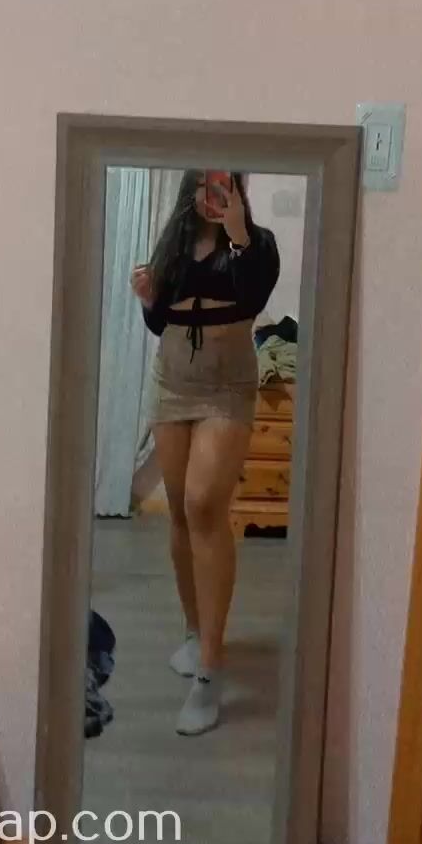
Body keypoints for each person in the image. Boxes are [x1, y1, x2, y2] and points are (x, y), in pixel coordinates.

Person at [130, 169, 280, 735]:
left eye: (225, 187)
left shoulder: (257, 245)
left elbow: (254, 294)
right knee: (179, 510)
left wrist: (238, 232)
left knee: (204, 506)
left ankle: (210, 670)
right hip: (170, 385)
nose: (213, 197)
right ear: (191, 189)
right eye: (205, 186)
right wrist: (149, 299)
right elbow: (161, 323)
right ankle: (195, 633)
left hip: (226, 390)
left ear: (237, 190)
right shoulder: (172, 243)